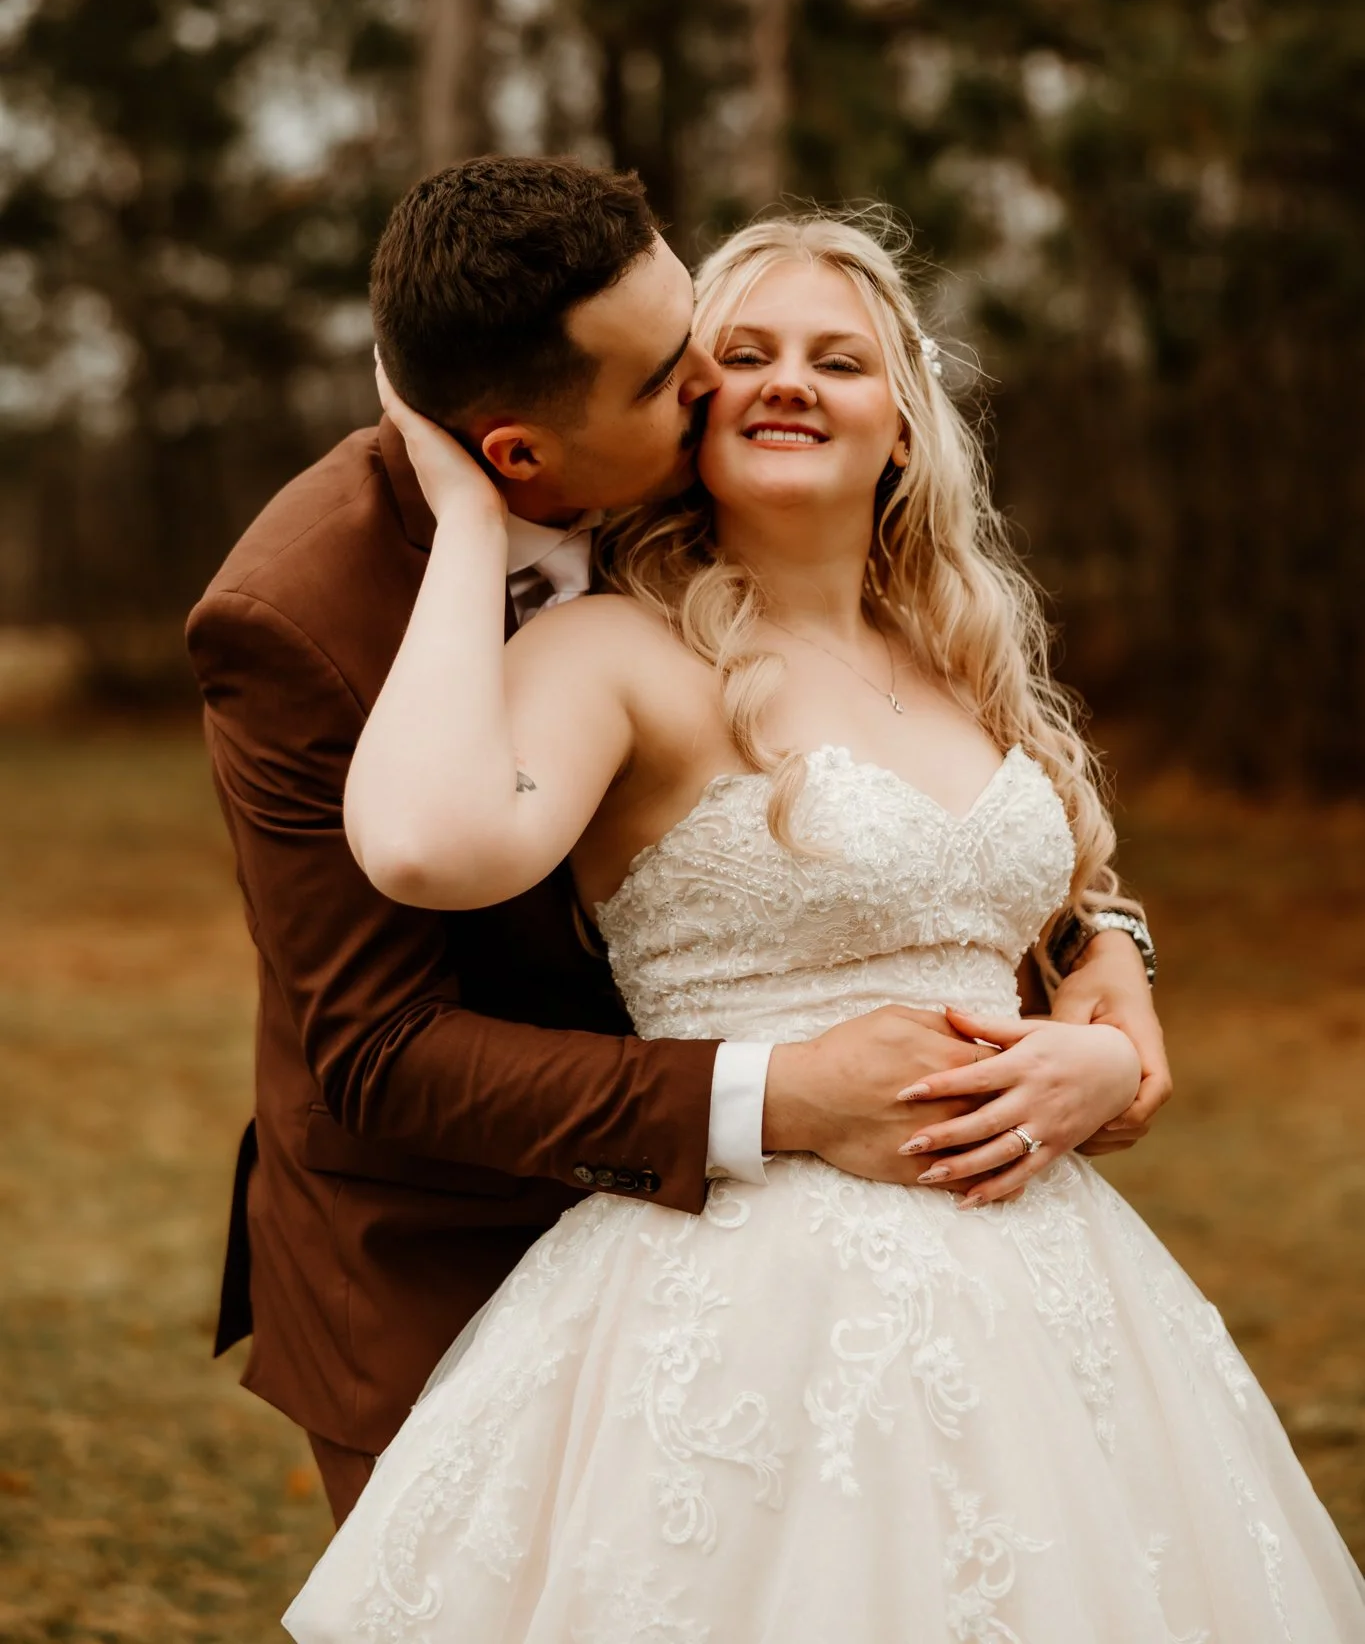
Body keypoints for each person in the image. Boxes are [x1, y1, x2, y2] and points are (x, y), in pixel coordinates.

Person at [284, 206, 1365, 1642]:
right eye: (745, 353)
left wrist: (1099, 1041)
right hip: (748, 1303)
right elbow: (426, 843)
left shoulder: (961, 654)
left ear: (904, 426)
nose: (791, 379)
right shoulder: (615, 654)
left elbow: (1040, 910)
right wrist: (472, 516)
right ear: (691, 412)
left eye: (839, 359)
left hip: (1051, 1297)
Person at [187, 158, 1166, 1530]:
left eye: (707, 331)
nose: (722, 376)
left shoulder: (921, 624)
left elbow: (936, 853)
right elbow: (379, 1047)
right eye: (689, 369)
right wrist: (793, 1092)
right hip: (458, 1228)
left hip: (990, 1282)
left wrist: (1107, 973)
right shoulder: (307, 615)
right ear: (516, 452)